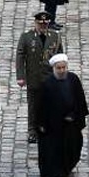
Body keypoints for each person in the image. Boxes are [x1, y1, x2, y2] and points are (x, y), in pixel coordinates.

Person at [37, 54, 89, 177]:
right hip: (54, 125)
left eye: (63, 67)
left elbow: (79, 99)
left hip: (70, 124)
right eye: (59, 68)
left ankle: (66, 168)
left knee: (72, 147)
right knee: (53, 151)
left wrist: (74, 115)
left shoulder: (73, 79)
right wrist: (41, 123)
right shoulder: (47, 84)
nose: (61, 70)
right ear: (54, 68)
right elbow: (41, 106)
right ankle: (55, 175)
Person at [16, 11, 64, 144]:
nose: (43, 26)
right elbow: (20, 56)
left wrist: (61, 74)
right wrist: (20, 76)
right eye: (40, 24)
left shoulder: (55, 37)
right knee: (33, 105)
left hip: (50, 78)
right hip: (34, 77)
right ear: (35, 23)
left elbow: (60, 56)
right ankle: (32, 131)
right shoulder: (27, 37)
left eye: (45, 24)